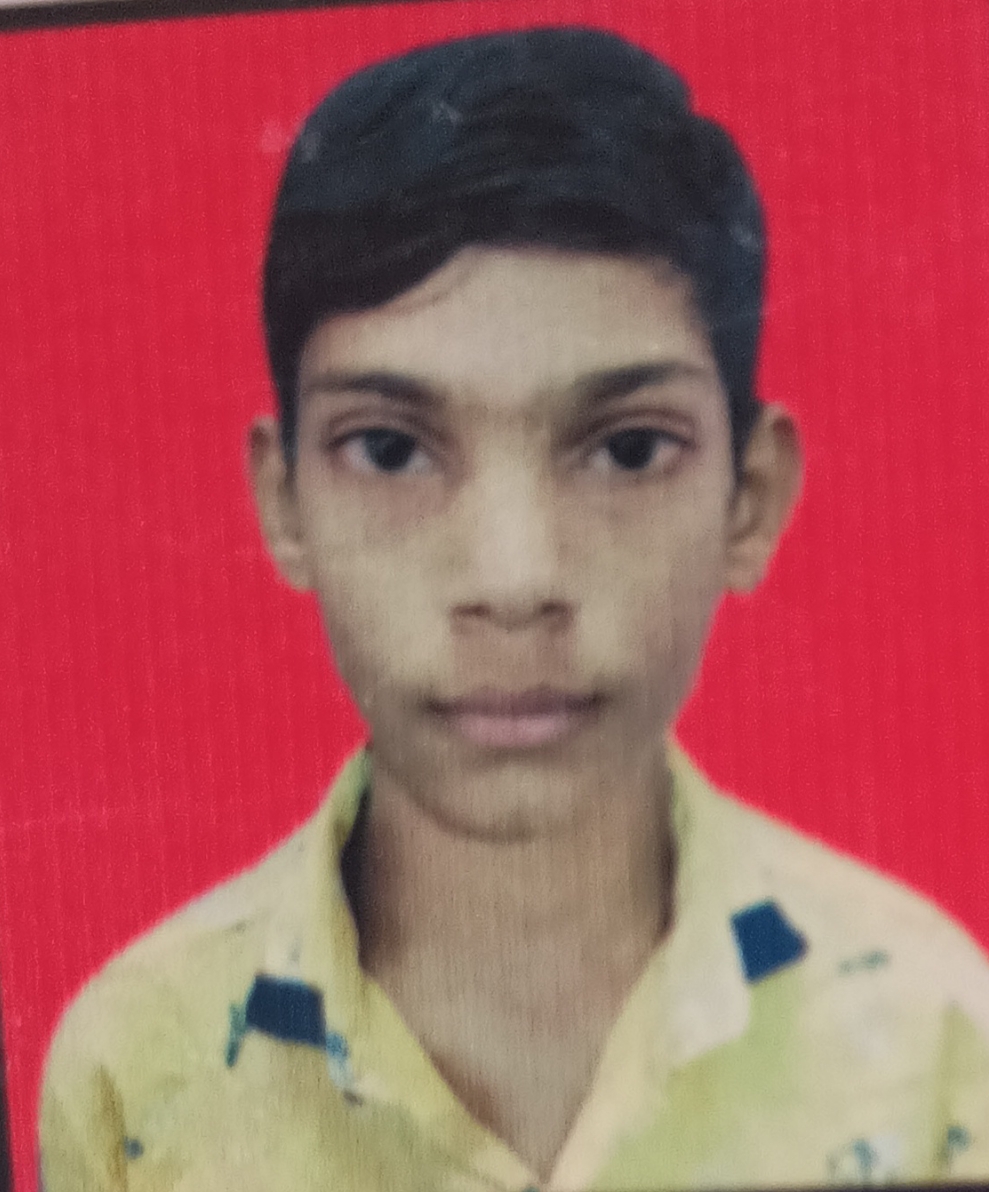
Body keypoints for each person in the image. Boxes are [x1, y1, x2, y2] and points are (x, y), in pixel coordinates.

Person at [39, 25, 989, 1191]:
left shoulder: (931, 1038)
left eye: (625, 449)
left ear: (748, 497)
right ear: (283, 502)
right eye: (390, 449)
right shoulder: (137, 1068)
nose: (512, 579)